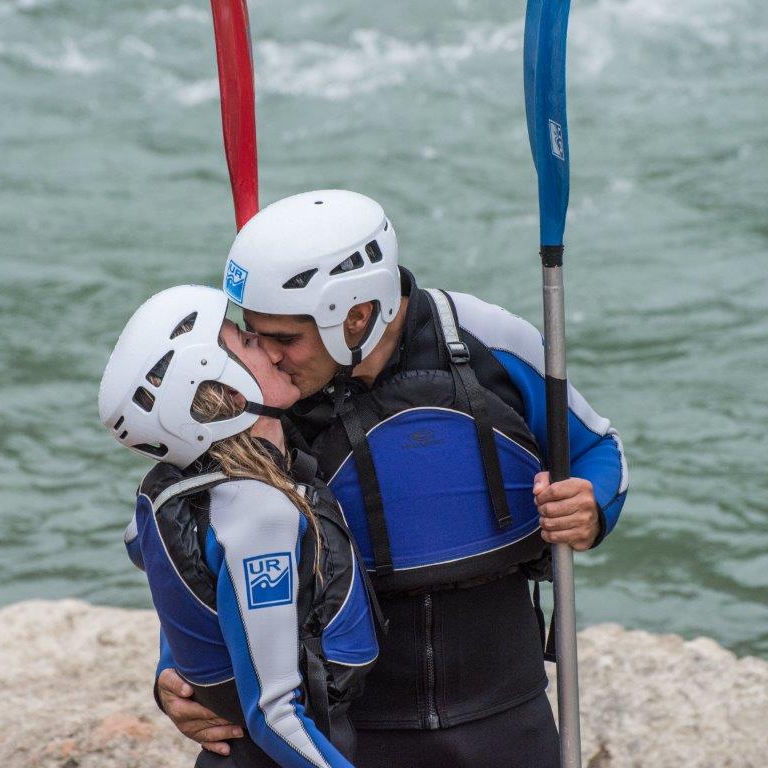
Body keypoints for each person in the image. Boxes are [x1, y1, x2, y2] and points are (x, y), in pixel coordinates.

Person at [157, 191, 630, 768]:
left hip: (502, 711)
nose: (266, 358)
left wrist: (591, 506)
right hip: (343, 717)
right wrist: (177, 671)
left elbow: (597, 448)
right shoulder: (262, 391)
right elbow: (197, 533)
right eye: (254, 333)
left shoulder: (486, 340)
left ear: (354, 316)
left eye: (284, 339)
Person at [99, 284, 382, 768]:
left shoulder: (189, 491)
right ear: (230, 390)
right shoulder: (260, 515)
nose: (271, 346)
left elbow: (158, 562)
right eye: (248, 342)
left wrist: (179, 661)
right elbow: (274, 715)